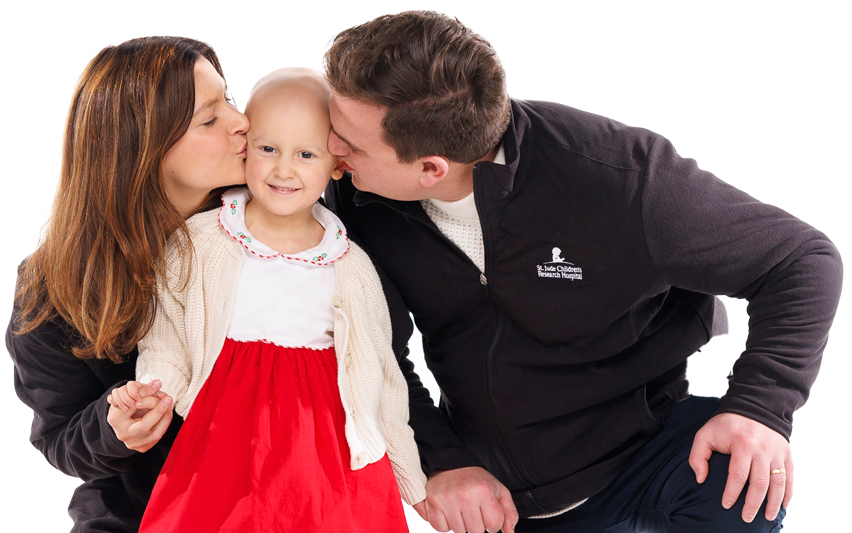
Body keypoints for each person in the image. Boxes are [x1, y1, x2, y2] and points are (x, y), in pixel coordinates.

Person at [322, 10, 843, 533]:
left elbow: (800, 259)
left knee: (741, 482)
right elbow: (372, 351)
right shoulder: (357, 196)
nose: (330, 150)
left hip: (667, 449)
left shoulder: (620, 177)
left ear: (431, 168)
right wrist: (442, 459)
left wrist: (761, 409)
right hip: (514, 495)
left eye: (349, 143)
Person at [108, 68, 427, 533]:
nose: (283, 169)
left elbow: (380, 373)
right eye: (267, 148)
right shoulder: (199, 241)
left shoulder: (350, 264)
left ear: (336, 164)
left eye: (305, 154)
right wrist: (156, 392)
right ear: (246, 145)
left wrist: (411, 477)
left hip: (325, 447)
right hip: (225, 437)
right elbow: (169, 336)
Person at [5, 35, 250, 532]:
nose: (240, 121)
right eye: (209, 118)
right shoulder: (53, 289)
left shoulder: (281, 224)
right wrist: (115, 431)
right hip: (139, 517)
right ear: (141, 149)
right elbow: (59, 439)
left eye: (229, 98)